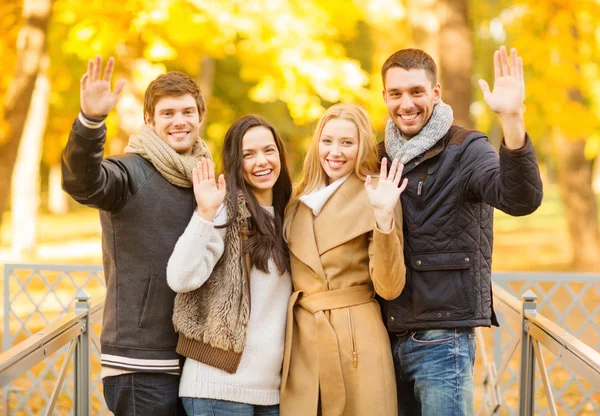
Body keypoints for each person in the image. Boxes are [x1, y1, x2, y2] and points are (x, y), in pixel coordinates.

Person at [378, 46, 543, 415]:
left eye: (417, 92)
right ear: (385, 97)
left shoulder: (466, 148)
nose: (406, 103)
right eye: (396, 93)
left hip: (441, 339)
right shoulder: (379, 157)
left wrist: (513, 119)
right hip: (383, 335)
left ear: (435, 93)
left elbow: (520, 199)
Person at [61, 56, 211, 415]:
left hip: (195, 357)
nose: (179, 121)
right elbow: (81, 182)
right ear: (150, 120)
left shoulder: (203, 175)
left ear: (200, 117)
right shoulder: (127, 173)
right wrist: (91, 121)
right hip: (140, 360)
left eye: (188, 112)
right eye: (168, 113)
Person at [280, 103, 408, 416]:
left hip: (356, 340)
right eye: (327, 141)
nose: (335, 152)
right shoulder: (296, 199)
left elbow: (390, 288)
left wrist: (383, 218)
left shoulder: (377, 193)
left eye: (347, 143)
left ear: (361, 146)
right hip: (302, 339)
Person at [167, 115, 293, 416]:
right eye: (248, 154)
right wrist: (205, 213)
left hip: (271, 391)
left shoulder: (288, 216)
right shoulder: (227, 210)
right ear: (236, 162)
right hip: (217, 389)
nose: (261, 161)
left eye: (268, 150)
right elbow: (180, 277)